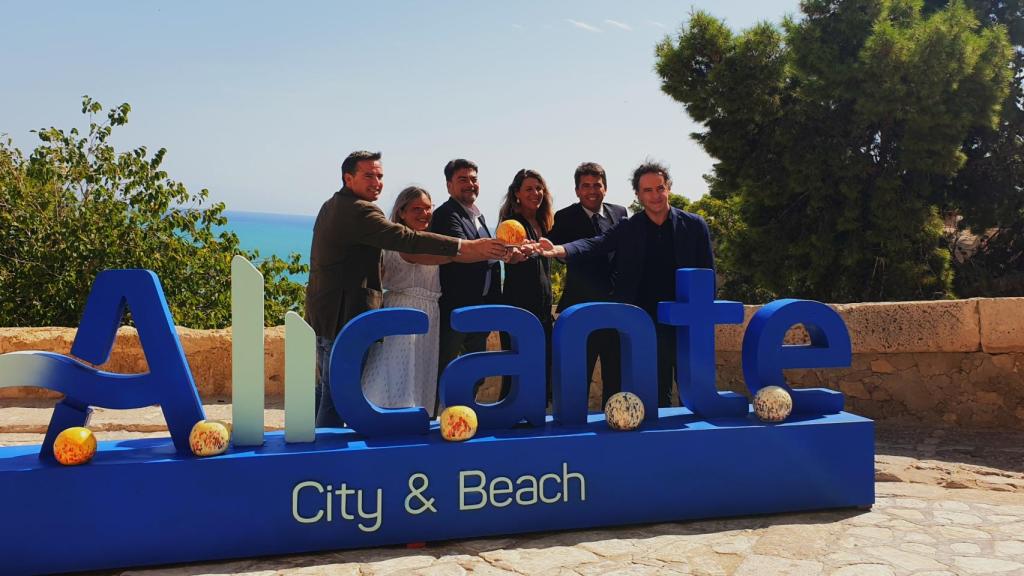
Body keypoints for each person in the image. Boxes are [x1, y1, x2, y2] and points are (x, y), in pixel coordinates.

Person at [305, 151, 507, 427]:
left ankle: (320, 453)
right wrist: (467, 247)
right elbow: (406, 242)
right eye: (369, 175)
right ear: (348, 178)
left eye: (380, 176)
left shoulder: (333, 205)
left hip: (327, 313)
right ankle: (328, 461)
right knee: (337, 397)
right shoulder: (359, 210)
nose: (376, 182)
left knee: (327, 391)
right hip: (345, 314)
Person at [539, 161, 714, 407]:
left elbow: (708, 275)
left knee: (695, 393)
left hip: (687, 321)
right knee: (657, 394)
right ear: (638, 195)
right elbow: (594, 244)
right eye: (647, 190)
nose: (655, 196)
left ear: (669, 188)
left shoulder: (695, 225)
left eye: (660, 188)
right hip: (646, 323)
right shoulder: (629, 228)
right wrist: (559, 249)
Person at [360, 187, 471, 414]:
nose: (424, 213)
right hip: (404, 310)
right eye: (416, 209)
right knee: (395, 368)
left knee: (418, 369)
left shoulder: (422, 239)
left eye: (428, 208)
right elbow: (450, 255)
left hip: (428, 311)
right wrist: (483, 250)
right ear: (402, 212)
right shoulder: (403, 241)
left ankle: (413, 414)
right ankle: (390, 415)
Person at [547, 162, 629, 406]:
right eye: (586, 186)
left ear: (605, 187)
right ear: (577, 191)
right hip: (579, 308)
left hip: (614, 308)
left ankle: (616, 426)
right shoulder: (564, 217)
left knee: (616, 375)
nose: (592, 190)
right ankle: (573, 432)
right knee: (577, 376)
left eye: (597, 185)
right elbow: (559, 254)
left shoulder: (620, 213)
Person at [430, 159, 503, 410]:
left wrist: (508, 252)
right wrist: (503, 251)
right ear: (449, 185)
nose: (470, 184)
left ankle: (462, 416)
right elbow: (462, 251)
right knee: (444, 369)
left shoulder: (479, 216)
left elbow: (489, 258)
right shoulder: (445, 215)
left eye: (473, 179)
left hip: (480, 308)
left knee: (476, 371)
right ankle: (437, 419)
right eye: (463, 180)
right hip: (455, 309)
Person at [497, 169, 556, 399]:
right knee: (517, 373)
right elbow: (507, 255)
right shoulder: (512, 223)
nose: (536, 193)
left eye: (539, 188)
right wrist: (515, 255)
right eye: (529, 189)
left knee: (542, 370)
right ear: (516, 194)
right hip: (519, 309)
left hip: (542, 310)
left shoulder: (544, 222)